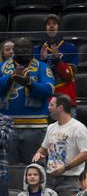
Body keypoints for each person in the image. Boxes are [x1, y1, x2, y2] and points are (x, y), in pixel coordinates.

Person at [0, 37, 55, 165]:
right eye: (21, 48)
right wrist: (11, 78)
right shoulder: (2, 67)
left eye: (28, 48)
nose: (25, 51)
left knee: (35, 170)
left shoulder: (42, 66)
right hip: (6, 128)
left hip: (35, 128)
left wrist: (29, 84)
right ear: (14, 50)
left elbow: (49, 89)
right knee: (7, 169)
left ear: (32, 50)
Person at [32, 94, 87, 196]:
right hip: (50, 178)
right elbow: (43, 148)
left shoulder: (78, 128)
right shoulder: (51, 127)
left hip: (69, 180)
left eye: (51, 105)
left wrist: (66, 167)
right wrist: (38, 154)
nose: (48, 107)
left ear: (60, 108)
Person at [34, 15, 78, 105]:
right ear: (44, 28)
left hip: (65, 99)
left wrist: (57, 60)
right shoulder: (37, 50)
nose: (51, 26)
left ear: (59, 27)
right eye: (48, 24)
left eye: (54, 23)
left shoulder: (70, 48)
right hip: (44, 100)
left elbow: (69, 77)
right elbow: (35, 78)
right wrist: (43, 61)